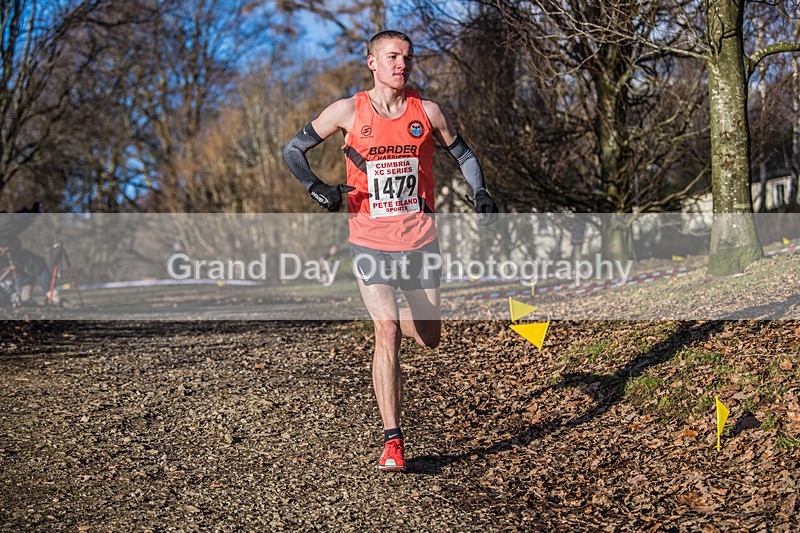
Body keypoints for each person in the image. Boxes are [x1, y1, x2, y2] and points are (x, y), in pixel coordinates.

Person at [283, 30, 498, 472]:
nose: (402, 65)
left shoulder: (428, 111)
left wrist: (481, 193)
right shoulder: (348, 111)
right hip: (369, 241)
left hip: (420, 240)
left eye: (408, 58)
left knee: (430, 336)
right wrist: (316, 186)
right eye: (393, 57)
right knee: (388, 333)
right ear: (372, 63)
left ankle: (406, 313)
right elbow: (293, 150)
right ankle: (393, 442)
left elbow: (466, 155)